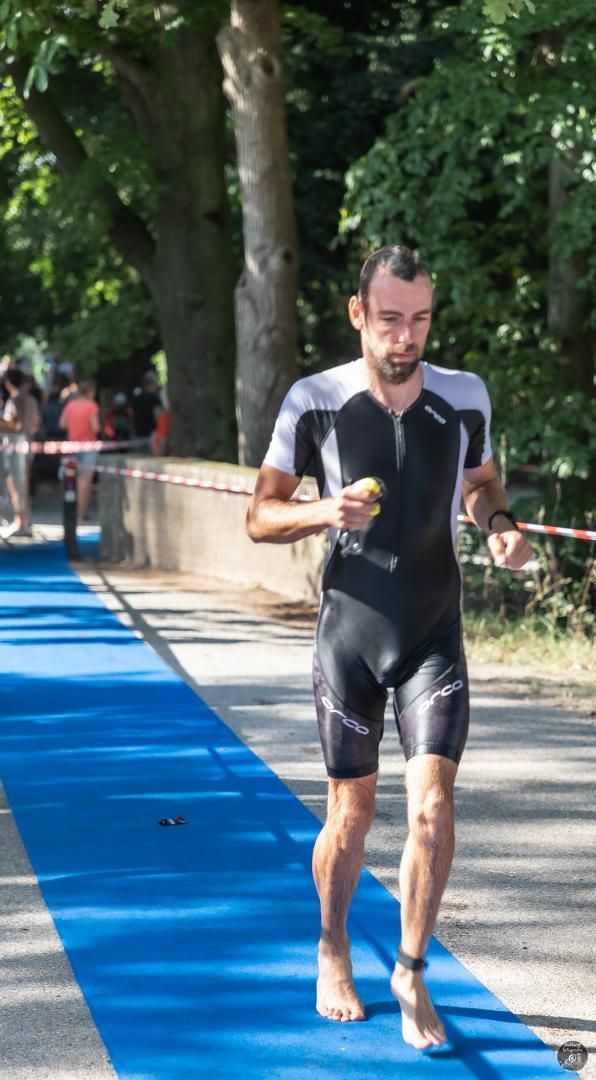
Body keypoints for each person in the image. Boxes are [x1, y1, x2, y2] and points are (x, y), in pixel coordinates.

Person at [246, 245, 533, 1050]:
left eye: (420, 321)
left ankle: (410, 968)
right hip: (350, 635)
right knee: (352, 815)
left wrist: (502, 531)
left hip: (435, 630)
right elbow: (260, 514)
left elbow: (481, 485)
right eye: (389, 321)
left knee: (435, 809)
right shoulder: (316, 401)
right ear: (357, 315)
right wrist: (321, 514)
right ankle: (333, 942)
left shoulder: (464, 396)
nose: (405, 338)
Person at [0, 367, 41, 537]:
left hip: (15, 446)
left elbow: (14, 425)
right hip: (28, 444)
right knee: (23, 483)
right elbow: (36, 422)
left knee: (15, 484)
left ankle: (20, 521)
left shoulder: (15, 400)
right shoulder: (31, 399)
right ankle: (25, 520)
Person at [59, 378, 101, 522]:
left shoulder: (70, 405)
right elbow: (96, 427)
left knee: (72, 482)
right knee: (85, 482)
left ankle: (72, 512)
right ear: (90, 392)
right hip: (88, 447)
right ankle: (81, 513)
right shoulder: (92, 406)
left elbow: (62, 424)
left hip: (72, 446)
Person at [131, 371, 162, 447]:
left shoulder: (136, 399)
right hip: (152, 436)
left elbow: (132, 417)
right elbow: (157, 417)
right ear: (153, 383)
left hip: (138, 436)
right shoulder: (154, 398)